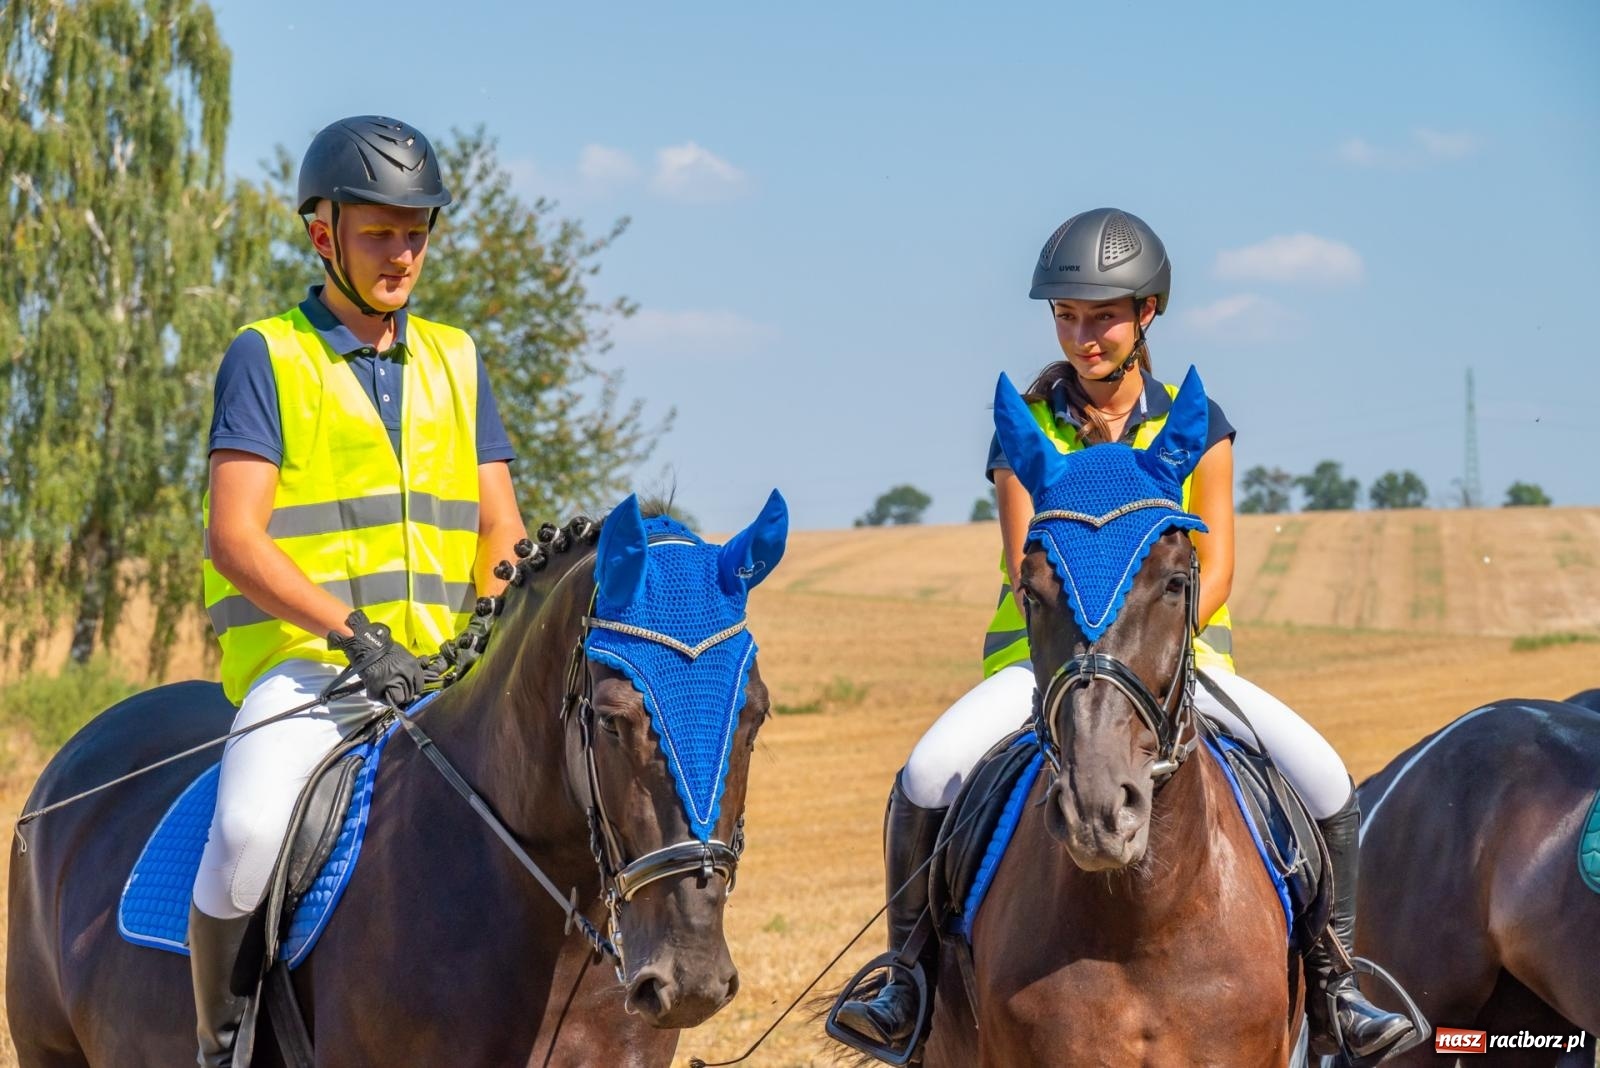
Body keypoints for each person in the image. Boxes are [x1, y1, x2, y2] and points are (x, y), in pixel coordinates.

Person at [833, 208, 1413, 1061]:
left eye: (1100, 314)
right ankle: (906, 985)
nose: (1081, 333)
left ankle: (1336, 989)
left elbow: (1214, 568)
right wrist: (1089, 652)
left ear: (1147, 315)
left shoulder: (1192, 421)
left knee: (1326, 779)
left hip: (1178, 661)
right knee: (925, 775)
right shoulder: (1027, 425)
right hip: (1046, 666)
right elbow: (1025, 555)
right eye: (1066, 316)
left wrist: (1161, 639)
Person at [189, 115, 528, 1066]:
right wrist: (350, 632)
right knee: (250, 830)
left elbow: (499, 524)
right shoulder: (269, 356)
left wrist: (498, 615)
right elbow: (237, 536)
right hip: (312, 675)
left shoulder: (458, 360)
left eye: (416, 232)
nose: (402, 253)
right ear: (322, 233)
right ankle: (224, 1044)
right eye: (379, 231)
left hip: (440, 675)